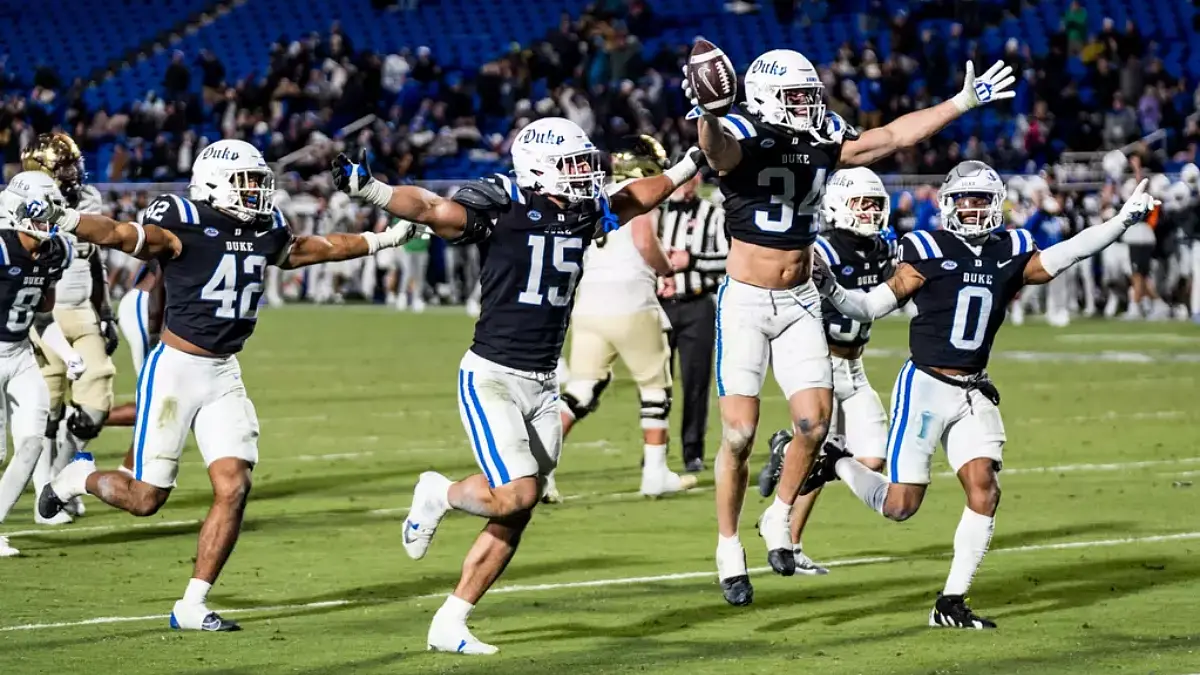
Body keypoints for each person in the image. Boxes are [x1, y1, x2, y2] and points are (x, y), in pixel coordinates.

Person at [331, 116, 702, 654]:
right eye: (572, 165)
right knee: (518, 492)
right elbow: (433, 209)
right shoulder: (502, 207)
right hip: (493, 376)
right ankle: (439, 493)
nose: (584, 174)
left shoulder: (582, 211)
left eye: (584, 163)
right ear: (540, 169)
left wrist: (689, 164)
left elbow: (636, 198)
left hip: (544, 383)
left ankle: (451, 619)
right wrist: (373, 190)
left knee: (518, 508)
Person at [34, 139, 423, 631]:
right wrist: (65, 219)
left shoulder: (263, 226)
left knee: (234, 485)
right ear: (215, 184)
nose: (256, 191)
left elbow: (311, 249)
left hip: (223, 373)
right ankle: (77, 477)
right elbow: (116, 232)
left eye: (258, 181)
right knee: (145, 499)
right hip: (176, 370)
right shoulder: (183, 220)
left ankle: (192, 604)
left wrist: (382, 240)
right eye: (246, 181)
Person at [685, 46, 1015, 605]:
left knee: (814, 425)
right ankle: (727, 546)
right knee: (738, 434)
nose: (808, 106)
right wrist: (709, 113)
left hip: (799, 299)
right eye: (796, 97)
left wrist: (959, 103)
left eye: (810, 95)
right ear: (765, 97)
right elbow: (718, 151)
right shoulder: (740, 127)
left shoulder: (821, 133)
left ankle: (779, 515)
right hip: (745, 300)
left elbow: (890, 137)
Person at [804, 162, 1158, 628]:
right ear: (948, 204)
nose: (972, 209)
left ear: (997, 205)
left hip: (972, 389)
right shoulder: (926, 248)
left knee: (985, 488)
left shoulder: (1011, 249)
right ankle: (837, 462)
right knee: (900, 506)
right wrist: (832, 288)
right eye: (964, 200)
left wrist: (1122, 221)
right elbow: (869, 306)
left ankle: (950, 602)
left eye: (981, 200)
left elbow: (1070, 251)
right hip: (926, 386)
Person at [757, 167, 895, 574]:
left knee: (870, 460)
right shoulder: (822, 250)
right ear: (838, 205)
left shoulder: (884, 248)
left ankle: (789, 450)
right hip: (821, 365)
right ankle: (792, 541)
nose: (870, 212)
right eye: (861, 204)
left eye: (875, 204)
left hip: (856, 366)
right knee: (822, 455)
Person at [551, 135, 694, 501]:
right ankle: (655, 473)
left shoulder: (594, 194)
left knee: (580, 391)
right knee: (655, 388)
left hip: (589, 302)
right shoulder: (639, 194)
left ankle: (540, 471)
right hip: (631, 299)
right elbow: (644, 241)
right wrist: (667, 268)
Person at [22, 132, 119, 523]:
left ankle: (58, 482)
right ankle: (44, 496)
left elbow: (95, 261)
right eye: (63, 167)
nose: (73, 173)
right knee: (47, 410)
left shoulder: (89, 199)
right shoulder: (20, 204)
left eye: (74, 164)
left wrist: (106, 312)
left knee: (96, 405)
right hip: (42, 316)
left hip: (82, 312)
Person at [0, 172, 85, 555]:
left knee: (33, 443)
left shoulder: (56, 251)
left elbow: (42, 314)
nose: (46, 222)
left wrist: (67, 353)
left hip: (19, 354)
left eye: (50, 213)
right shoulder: (2, 248)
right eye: (38, 213)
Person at [657, 172, 728, 474]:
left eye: (691, 177)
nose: (686, 183)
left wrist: (693, 260)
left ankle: (692, 452)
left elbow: (729, 260)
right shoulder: (656, 213)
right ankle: (655, 452)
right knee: (656, 384)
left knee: (695, 382)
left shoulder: (713, 214)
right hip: (659, 306)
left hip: (698, 304)